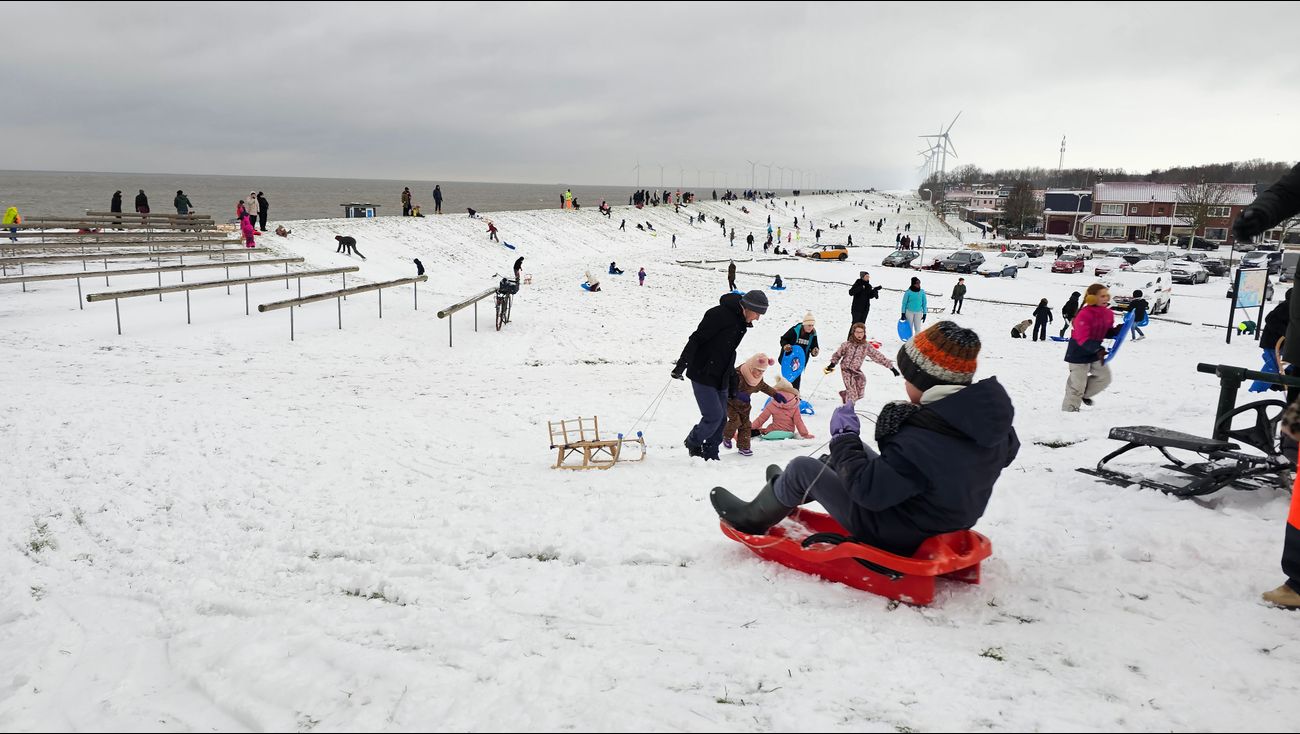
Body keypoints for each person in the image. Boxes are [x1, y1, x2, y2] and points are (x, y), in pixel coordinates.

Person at [709, 321, 1019, 557]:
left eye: (910, 379)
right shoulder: (983, 424)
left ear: (923, 382)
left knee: (805, 466)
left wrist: (844, 436)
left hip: (899, 531)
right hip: (943, 519)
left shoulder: (925, 436)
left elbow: (869, 491)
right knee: (838, 460)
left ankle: (753, 517)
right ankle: (787, 490)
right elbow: (936, 465)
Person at [673, 290, 768, 460]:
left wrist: (732, 380)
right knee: (713, 416)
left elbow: (728, 352)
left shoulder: (741, 324)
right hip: (703, 372)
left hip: (722, 375)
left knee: (722, 419)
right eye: (757, 314)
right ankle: (693, 441)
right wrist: (682, 363)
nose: (757, 318)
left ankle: (711, 453)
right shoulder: (718, 315)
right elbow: (696, 339)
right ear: (748, 307)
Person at [1062, 283, 1118, 411]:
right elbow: (1083, 338)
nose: (1106, 298)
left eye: (1107, 295)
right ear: (1092, 298)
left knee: (1104, 377)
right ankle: (1069, 411)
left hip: (1095, 352)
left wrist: (1115, 332)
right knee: (1077, 385)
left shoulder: (1108, 313)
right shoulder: (1084, 314)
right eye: (1102, 296)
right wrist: (1098, 349)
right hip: (1078, 352)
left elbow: (1105, 330)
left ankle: (1084, 394)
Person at [722, 353, 786, 457]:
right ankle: (726, 436)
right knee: (736, 421)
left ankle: (744, 447)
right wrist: (737, 394)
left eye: (762, 371)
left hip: (744, 406)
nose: (759, 373)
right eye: (758, 370)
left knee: (746, 425)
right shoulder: (738, 374)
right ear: (751, 367)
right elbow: (727, 386)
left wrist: (775, 394)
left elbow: (764, 387)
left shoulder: (757, 380)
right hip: (730, 403)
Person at [824, 322, 898, 403]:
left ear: (864, 333)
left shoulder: (866, 346)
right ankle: (848, 410)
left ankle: (845, 394)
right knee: (852, 393)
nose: (859, 334)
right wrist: (832, 364)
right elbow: (837, 354)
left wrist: (891, 368)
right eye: (857, 332)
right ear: (853, 333)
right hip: (846, 370)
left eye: (861, 332)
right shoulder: (847, 345)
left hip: (856, 370)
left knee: (861, 388)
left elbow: (878, 356)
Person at [1251, 290, 1292, 392]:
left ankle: (1280, 383)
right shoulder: (1287, 306)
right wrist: (1287, 332)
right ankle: (1257, 390)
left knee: (1295, 361)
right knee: (1272, 365)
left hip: (1286, 342)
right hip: (1272, 341)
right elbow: (1270, 319)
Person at [779, 313, 821, 390]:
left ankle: (795, 396)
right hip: (788, 359)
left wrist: (815, 350)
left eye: (812, 325)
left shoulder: (813, 334)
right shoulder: (795, 330)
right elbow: (783, 339)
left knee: (797, 378)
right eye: (809, 325)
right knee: (787, 377)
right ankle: (784, 393)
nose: (810, 327)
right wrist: (786, 345)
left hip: (800, 361)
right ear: (804, 324)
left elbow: (814, 345)